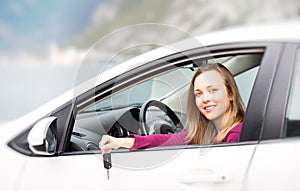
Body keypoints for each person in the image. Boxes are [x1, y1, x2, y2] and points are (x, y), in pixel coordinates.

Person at [99, 63, 245, 153]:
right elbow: (169, 140)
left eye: (213, 90)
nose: (205, 99)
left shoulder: (235, 136)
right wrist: (120, 142)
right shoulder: (211, 133)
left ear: (230, 93)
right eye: (198, 94)